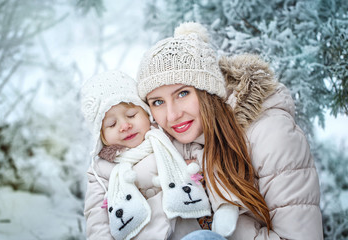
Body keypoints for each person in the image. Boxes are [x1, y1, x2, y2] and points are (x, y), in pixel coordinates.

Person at [136, 22, 323, 239]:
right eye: (158, 102)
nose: (172, 115)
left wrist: (218, 226)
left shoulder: (271, 134)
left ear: (208, 91)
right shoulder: (164, 143)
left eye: (183, 93)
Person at [80, 70, 213, 240]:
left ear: (146, 114)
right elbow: (96, 219)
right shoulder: (102, 171)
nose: (125, 126)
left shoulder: (169, 142)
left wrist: (197, 168)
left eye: (131, 115)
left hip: (189, 232)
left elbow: (209, 160)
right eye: (112, 124)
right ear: (102, 137)